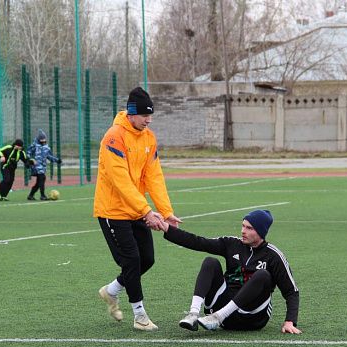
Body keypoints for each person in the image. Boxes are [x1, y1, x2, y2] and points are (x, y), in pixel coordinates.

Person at [94, 87, 181, 331]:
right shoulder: (114, 137)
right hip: (113, 211)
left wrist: (165, 211)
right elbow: (120, 180)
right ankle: (140, 315)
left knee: (147, 259)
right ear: (131, 114)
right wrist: (146, 211)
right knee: (131, 260)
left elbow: (154, 176)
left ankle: (111, 290)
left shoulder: (149, 138)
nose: (148, 120)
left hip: (136, 210)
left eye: (150, 115)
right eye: (144, 115)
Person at [157, 209, 301, 334]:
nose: (243, 231)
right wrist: (167, 229)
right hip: (223, 315)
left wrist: (290, 321)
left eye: (249, 228)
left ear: (261, 232)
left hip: (252, 317)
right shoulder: (232, 243)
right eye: (243, 226)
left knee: (263, 275)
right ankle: (193, 314)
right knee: (210, 262)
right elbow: (199, 242)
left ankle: (218, 317)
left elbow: (291, 291)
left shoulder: (273, 255)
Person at [26, 129, 61, 200]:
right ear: (38, 139)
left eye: (44, 140)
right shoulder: (34, 146)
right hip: (36, 166)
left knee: (39, 182)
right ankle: (42, 195)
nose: (43, 141)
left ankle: (30, 195)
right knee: (42, 178)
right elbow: (28, 153)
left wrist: (57, 160)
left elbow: (49, 156)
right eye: (41, 140)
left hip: (43, 167)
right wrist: (29, 161)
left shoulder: (46, 147)